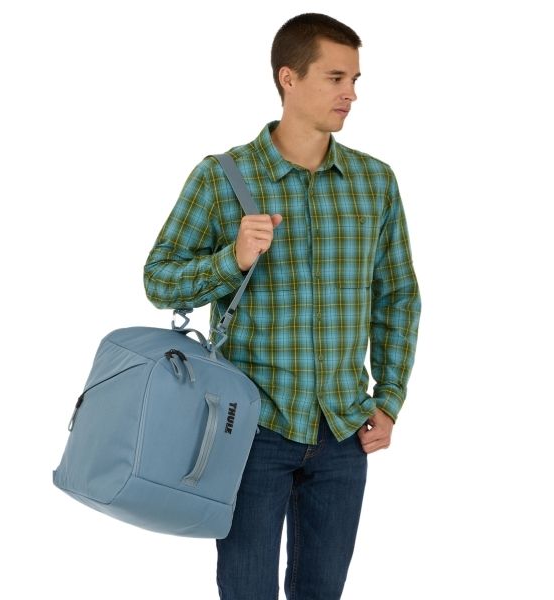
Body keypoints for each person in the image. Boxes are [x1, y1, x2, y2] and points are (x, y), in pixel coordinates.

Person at [143, 12, 420, 599]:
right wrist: (232, 259)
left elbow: (397, 296)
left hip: (343, 430)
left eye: (355, 79)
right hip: (250, 429)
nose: (350, 94)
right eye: (335, 78)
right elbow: (159, 281)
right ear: (288, 78)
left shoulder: (374, 182)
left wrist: (390, 397)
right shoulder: (223, 178)